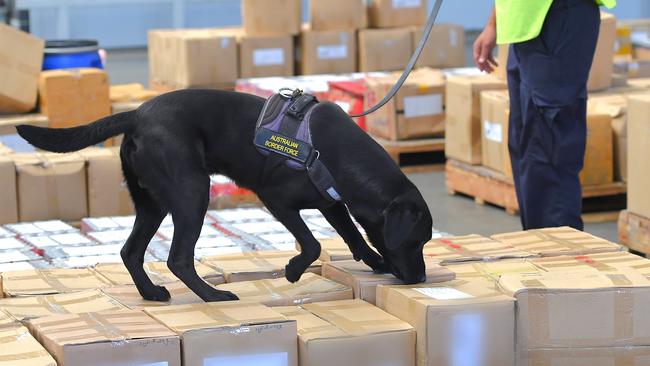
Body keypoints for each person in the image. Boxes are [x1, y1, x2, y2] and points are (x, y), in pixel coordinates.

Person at [473, 0, 616, 230]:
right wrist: (494, 23)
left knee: (550, 153)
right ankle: (540, 248)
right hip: (525, 26)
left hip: (557, 16)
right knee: (527, 151)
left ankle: (560, 254)